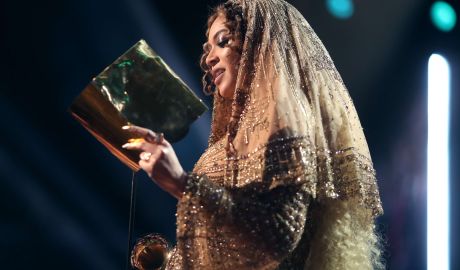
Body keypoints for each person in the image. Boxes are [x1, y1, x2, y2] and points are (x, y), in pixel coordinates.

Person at [122, 0, 384, 269]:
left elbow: (278, 234)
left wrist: (181, 183)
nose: (210, 58)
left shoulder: (285, 125)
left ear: (260, 46)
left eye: (223, 42)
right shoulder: (232, 141)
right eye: (208, 49)